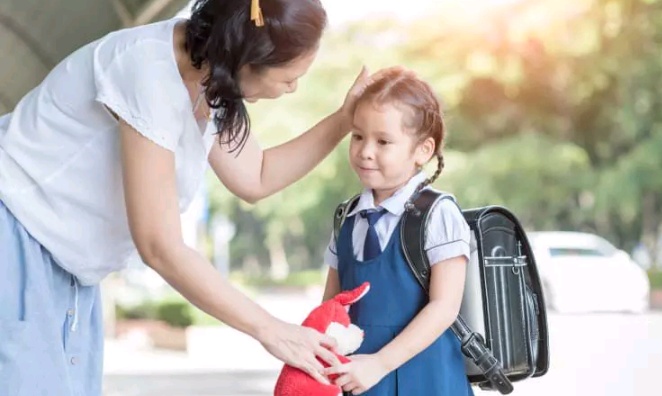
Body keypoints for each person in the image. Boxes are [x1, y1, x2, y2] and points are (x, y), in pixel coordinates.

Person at [0, 0, 394, 394]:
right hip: (18, 238)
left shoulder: (210, 80)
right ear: (248, 56)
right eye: (288, 78)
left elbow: (256, 177)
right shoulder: (148, 71)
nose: (293, 88)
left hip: (69, 266)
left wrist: (346, 119)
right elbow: (159, 245)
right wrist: (271, 330)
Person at [321, 70, 474, 395]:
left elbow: (444, 307)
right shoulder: (346, 218)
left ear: (423, 150)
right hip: (361, 384)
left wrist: (379, 364)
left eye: (383, 141)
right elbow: (332, 308)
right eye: (358, 136)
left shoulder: (437, 214)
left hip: (427, 382)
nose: (365, 151)